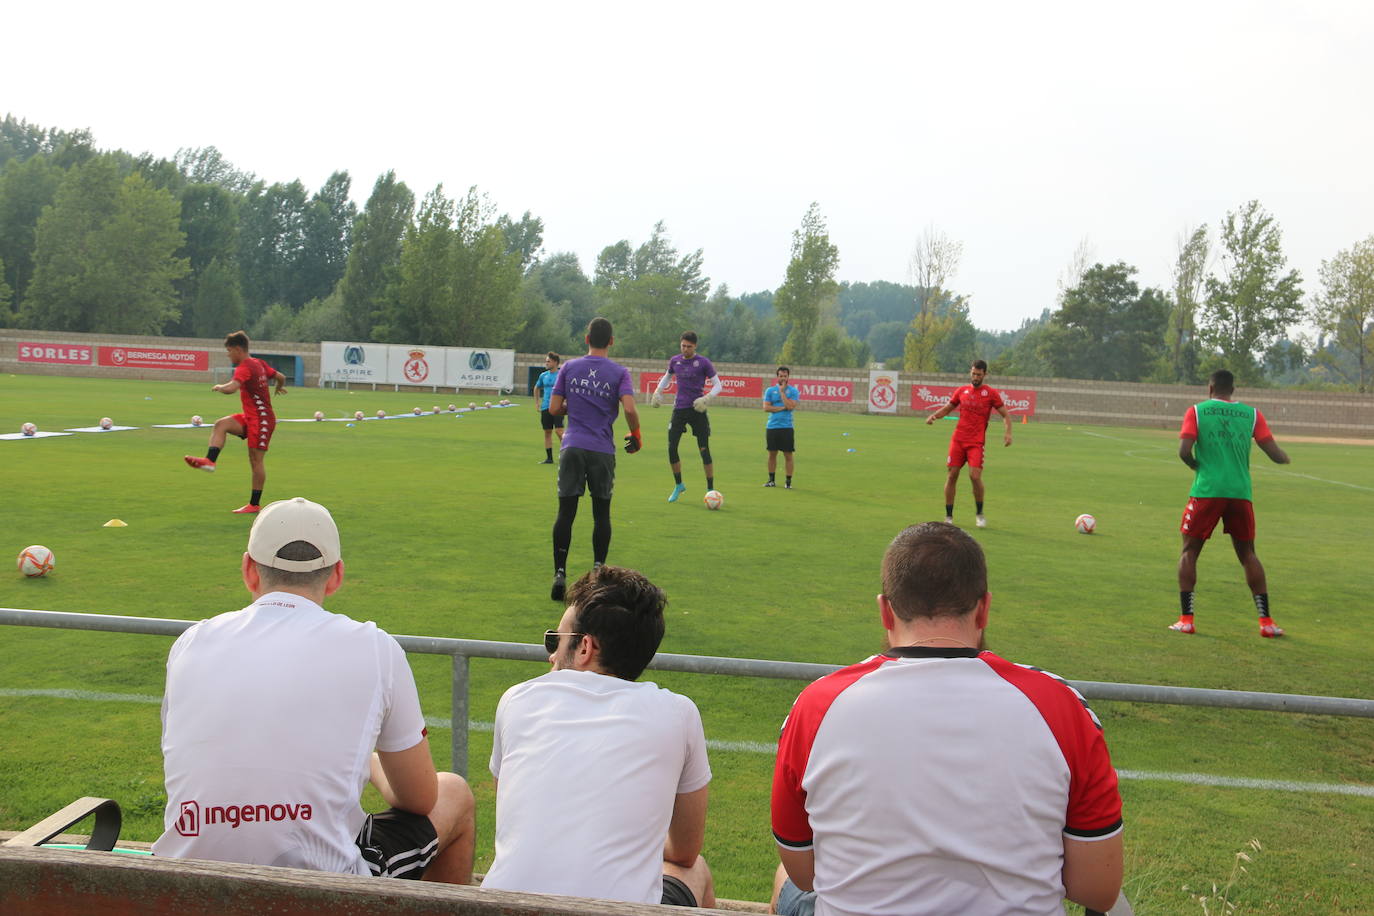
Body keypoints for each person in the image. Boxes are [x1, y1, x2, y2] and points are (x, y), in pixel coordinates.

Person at [770, 522, 1123, 916]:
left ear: (885, 611)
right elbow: (1098, 889)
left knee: (783, 881)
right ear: (985, 608)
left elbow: (804, 872)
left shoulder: (817, 705)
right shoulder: (1060, 706)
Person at [152, 497, 476, 882]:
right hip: (323, 888)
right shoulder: (375, 647)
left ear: (248, 571)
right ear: (337, 575)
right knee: (454, 792)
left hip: (179, 880)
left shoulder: (192, 641)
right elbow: (421, 799)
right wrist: (370, 761)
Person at [483, 565, 715, 908]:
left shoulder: (518, 699)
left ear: (584, 648)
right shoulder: (678, 713)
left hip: (500, 907)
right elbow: (684, 850)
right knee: (696, 871)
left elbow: (514, 820)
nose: (549, 653)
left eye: (555, 640)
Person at [1170, 369, 1291, 638]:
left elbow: (1183, 451)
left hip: (1207, 490)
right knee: (1248, 553)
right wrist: (1285, 458)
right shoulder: (1252, 414)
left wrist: (1196, 466)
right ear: (1233, 390)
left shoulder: (1197, 411)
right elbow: (1274, 453)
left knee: (1189, 551)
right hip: (1240, 493)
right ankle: (1266, 622)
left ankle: (1186, 619)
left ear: (1210, 388)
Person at [548, 317, 641, 601]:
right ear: (611, 341)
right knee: (601, 514)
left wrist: (573, 405)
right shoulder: (620, 372)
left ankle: (560, 573)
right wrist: (636, 433)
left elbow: (553, 409)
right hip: (601, 449)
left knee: (566, 512)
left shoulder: (569, 367)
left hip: (572, 444)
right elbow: (629, 408)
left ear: (586, 339)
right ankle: (598, 573)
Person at [183, 330, 287, 515]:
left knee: (256, 461)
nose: (228, 355)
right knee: (221, 424)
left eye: (229, 351)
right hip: (250, 417)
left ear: (238, 349)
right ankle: (209, 461)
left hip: (262, 420)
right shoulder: (259, 363)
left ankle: (254, 504)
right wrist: (279, 388)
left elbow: (231, 388)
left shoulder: (245, 366)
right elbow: (280, 376)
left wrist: (220, 387)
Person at [924, 359, 1012, 528]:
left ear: (985, 375)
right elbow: (947, 408)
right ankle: (948, 517)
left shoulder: (991, 394)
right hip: (958, 440)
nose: (975, 377)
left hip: (976, 442)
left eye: (979, 374)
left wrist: (1008, 433)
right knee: (951, 475)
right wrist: (934, 416)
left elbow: (1005, 415)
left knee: (975, 476)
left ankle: (979, 513)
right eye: (973, 374)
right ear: (970, 373)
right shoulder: (962, 391)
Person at [652, 331, 722, 502]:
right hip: (679, 409)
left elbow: (718, 385)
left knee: (703, 449)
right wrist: (657, 391)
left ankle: (710, 490)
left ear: (695, 346)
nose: (685, 349)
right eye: (683, 345)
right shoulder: (675, 360)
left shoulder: (704, 363)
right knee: (671, 447)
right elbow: (667, 377)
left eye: (689, 346)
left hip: (698, 410)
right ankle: (678, 485)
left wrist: (706, 399)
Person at [762, 366, 800, 489]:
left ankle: (788, 483)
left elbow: (790, 406)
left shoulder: (793, 391)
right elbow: (766, 408)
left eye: (785, 376)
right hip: (772, 427)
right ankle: (771, 480)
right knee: (772, 454)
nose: (783, 378)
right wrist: (780, 408)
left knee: (788, 455)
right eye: (780, 376)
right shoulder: (770, 391)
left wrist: (782, 392)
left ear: (788, 377)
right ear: (777, 377)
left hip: (787, 427)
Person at [534, 351, 563, 464]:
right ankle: (549, 458)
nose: (546, 363)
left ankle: (566, 455)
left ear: (555, 362)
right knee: (547, 432)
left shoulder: (561, 375)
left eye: (548, 361)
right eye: (546, 361)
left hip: (558, 407)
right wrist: (537, 403)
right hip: (545, 407)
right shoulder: (543, 375)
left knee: (559, 431)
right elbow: (536, 388)